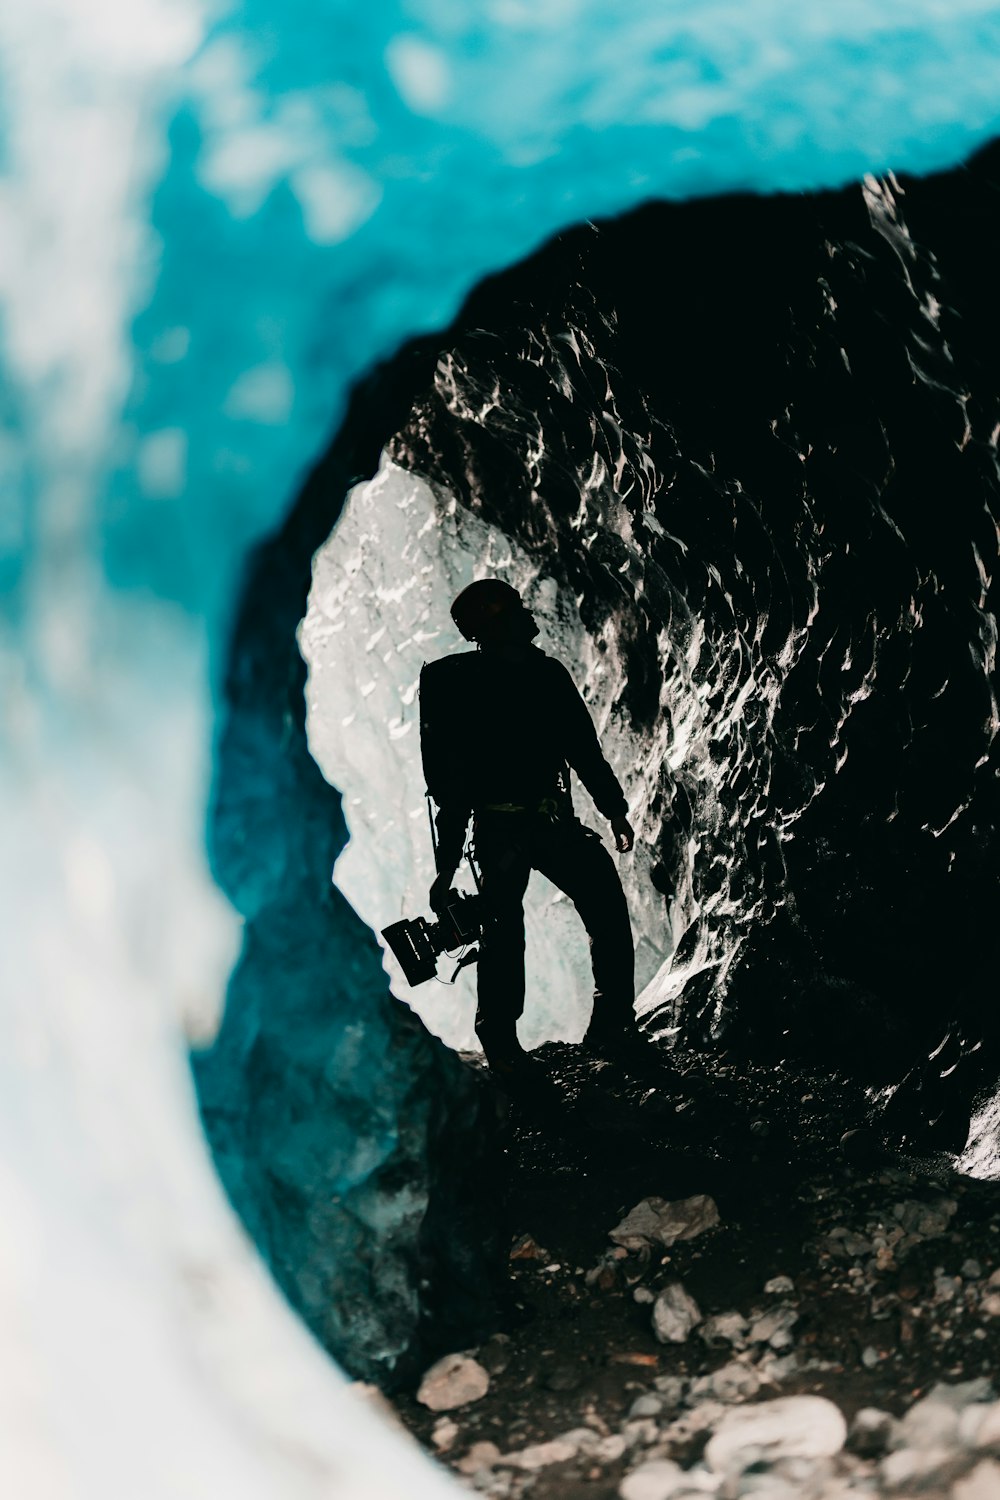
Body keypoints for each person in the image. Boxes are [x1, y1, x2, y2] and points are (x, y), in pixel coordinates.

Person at [418, 577, 649, 1080]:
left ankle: (596, 1027)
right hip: (513, 829)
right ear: (495, 624)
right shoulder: (523, 679)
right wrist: (445, 867)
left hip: (523, 827)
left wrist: (613, 809)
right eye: (515, 608)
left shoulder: (527, 677)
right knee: (509, 932)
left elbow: (581, 749)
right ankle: (508, 1044)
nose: (527, 613)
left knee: (563, 915)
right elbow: (459, 785)